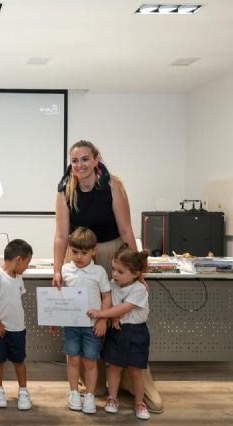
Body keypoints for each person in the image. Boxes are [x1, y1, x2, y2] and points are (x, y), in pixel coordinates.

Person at [52, 140, 163, 413]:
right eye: (75, 160)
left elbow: (126, 230)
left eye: (85, 159)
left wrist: (138, 270)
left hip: (112, 253)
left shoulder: (112, 185)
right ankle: (95, 381)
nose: (80, 165)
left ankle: (134, 380)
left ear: (96, 159)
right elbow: (61, 235)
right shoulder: (65, 189)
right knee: (84, 316)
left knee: (118, 316)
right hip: (79, 255)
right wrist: (57, 269)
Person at [88, 246, 152, 420]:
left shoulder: (139, 289)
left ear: (136, 273)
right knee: (114, 367)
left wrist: (101, 314)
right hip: (117, 332)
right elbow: (110, 302)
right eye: (113, 269)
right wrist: (113, 317)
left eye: (120, 271)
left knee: (136, 371)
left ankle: (139, 402)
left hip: (136, 333)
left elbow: (124, 307)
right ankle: (112, 397)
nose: (114, 274)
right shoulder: (112, 284)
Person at [59, 227, 111, 414]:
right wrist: (55, 318)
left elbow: (107, 296)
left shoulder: (99, 272)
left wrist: (102, 319)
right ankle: (74, 393)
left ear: (93, 251)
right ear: (69, 250)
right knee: (73, 360)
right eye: (75, 252)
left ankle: (89, 395)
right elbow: (60, 297)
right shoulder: (65, 269)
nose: (79, 256)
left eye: (84, 252)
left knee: (90, 362)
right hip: (71, 325)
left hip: (92, 326)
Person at [0, 238, 33, 410]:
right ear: (18, 259)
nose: (27, 267)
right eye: (27, 263)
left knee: (19, 361)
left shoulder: (19, 278)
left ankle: (23, 391)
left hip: (18, 329)